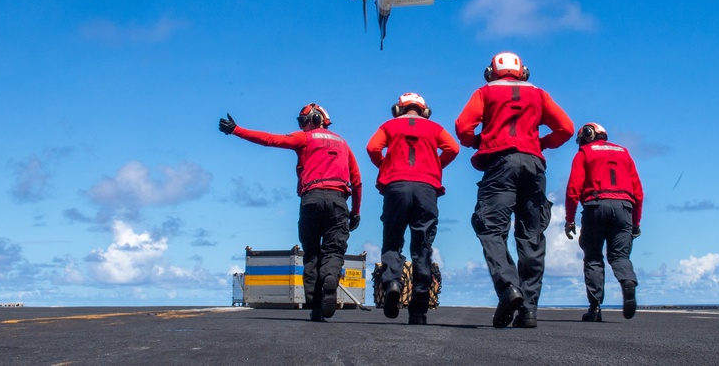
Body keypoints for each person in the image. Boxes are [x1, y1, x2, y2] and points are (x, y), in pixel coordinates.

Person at [454, 52, 574, 328]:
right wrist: (541, 143)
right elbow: (566, 128)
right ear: (523, 72)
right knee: (532, 235)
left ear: (490, 72)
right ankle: (529, 310)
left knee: (491, 229)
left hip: (500, 164)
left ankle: (508, 288)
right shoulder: (539, 94)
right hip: (534, 165)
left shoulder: (484, 93)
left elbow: (462, 127)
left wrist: (478, 141)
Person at [218, 104, 362, 322]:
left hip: (311, 199)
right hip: (338, 201)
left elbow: (270, 139)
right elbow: (358, 181)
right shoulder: (344, 144)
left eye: (303, 120)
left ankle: (315, 308)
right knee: (334, 250)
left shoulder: (305, 138)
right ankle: (330, 276)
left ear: (315, 119)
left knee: (312, 253)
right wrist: (356, 212)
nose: (301, 125)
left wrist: (236, 130)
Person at [366, 92, 459, 325]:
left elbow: (372, 148)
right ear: (424, 110)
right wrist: (436, 165)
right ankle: (418, 311)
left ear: (398, 109)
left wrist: (386, 165)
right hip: (426, 190)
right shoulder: (435, 128)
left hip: (396, 187)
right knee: (422, 247)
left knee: (392, 240)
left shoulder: (389, 125)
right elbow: (453, 149)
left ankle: (393, 283)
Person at [564, 122, 644, 322]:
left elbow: (573, 188)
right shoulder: (624, 152)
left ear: (587, 135)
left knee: (593, 258)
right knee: (619, 256)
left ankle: (595, 307)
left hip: (595, 207)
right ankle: (627, 282)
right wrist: (636, 223)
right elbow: (639, 193)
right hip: (625, 208)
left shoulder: (584, 152)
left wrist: (569, 220)